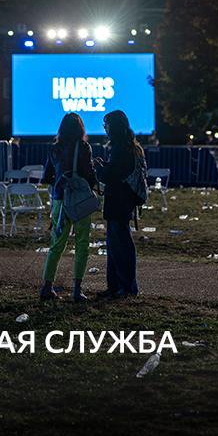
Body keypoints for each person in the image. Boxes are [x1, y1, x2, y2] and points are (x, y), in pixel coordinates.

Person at [40, 112, 98, 302]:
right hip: (80, 200)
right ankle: (77, 289)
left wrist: (60, 181)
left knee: (56, 244)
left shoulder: (54, 148)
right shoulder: (84, 147)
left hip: (60, 199)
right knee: (82, 243)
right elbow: (89, 175)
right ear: (80, 128)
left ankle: (47, 286)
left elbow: (47, 176)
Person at [94, 109, 143, 299]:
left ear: (113, 127)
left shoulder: (120, 149)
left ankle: (125, 287)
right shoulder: (128, 147)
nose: (105, 129)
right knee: (116, 245)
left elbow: (112, 175)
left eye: (106, 125)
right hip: (124, 201)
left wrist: (100, 169)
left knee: (119, 246)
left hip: (118, 202)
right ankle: (116, 286)